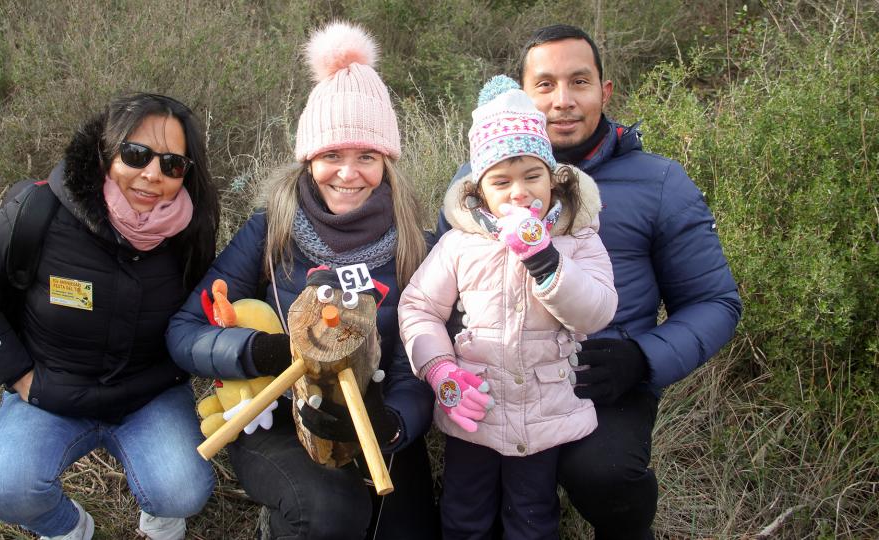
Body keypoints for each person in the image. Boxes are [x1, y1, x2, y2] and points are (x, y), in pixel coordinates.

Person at [438, 24, 743, 539]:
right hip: (502, 374)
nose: (562, 101)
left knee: (604, 472)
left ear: (604, 91)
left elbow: (715, 301)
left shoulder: (658, 182)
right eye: (545, 85)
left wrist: (643, 359)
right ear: (523, 96)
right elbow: (445, 289)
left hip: (604, 376)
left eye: (579, 82)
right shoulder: (478, 185)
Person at [165, 22, 439, 540]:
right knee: (329, 515)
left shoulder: (416, 245)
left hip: (374, 409)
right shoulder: (270, 230)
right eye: (332, 154)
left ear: (388, 161)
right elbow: (184, 330)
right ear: (309, 157)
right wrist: (258, 354)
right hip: (279, 414)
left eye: (367, 157)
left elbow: (422, 360)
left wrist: (396, 422)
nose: (348, 173)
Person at [0, 93, 219, 540]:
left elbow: (202, 307)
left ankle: (161, 515)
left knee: (183, 490)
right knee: (4, 488)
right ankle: (69, 529)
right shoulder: (39, 211)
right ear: (105, 152)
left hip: (151, 394)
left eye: (172, 165)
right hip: (53, 388)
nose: (152, 175)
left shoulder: (192, 227)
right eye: (136, 154)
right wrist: (17, 373)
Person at [399, 75, 618, 539]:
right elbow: (418, 306)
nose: (519, 192)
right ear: (480, 192)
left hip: (545, 412)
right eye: (502, 182)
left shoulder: (577, 238)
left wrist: (546, 260)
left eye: (532, 176)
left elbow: (597, 311)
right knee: (464, 514)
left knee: (532, 517)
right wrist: (440, 370)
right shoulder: (460, 244)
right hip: (473, 412)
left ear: (553, 178)